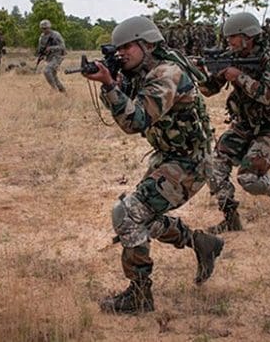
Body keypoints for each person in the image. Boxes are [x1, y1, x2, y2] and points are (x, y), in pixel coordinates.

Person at [81, 16, 224, 314]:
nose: (121, 54)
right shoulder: (144, 72)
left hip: (190, 162)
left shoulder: (166, 74)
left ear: (147, 44)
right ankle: (200, 242)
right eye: (118, 49)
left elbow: (135, 121)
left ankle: (140, 296)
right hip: (170, 157)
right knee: (140, 218)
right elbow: (127, 113)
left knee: (127, 214)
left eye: (127, 47)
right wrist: (115, 84)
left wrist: (110, 85)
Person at [199, 12, 270, 234]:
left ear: (248, 36)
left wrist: (238, 77)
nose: (229, 42)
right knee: (213, 168)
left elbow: (267, 95)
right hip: (242, 125)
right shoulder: (230, 57)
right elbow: (208, 90)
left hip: (267, 127)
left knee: (249, 179)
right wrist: (201, 74)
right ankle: (230, 219)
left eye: (233, 37)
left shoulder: (269, 60)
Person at [37, 19, 67, 92]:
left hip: (57, 56)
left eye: (46, 28)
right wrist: (41, 55)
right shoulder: (42, 37)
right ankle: (63, 91)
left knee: (47, 71)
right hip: (49, 57)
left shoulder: (56, 35)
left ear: (49, 27)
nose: (44, 30)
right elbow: (41, 49)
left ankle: (54, 89)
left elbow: (62, 46)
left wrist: (51, 48)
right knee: (53, 75)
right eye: (43, 28)